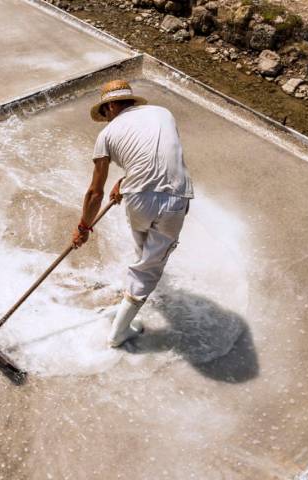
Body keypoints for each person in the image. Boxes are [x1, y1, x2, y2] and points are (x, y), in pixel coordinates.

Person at [72, 79, 194, 348]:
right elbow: (159, 157)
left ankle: (125, 314)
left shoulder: (106, 136)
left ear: (112, 106)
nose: (106, 120)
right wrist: (125, 182)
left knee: (144, 258)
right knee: (149, 267)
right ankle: (120, 330)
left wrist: (83, 228)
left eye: (104, 114)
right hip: (173, 197)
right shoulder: (163, 113)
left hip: (138, 199)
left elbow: (95, 192)